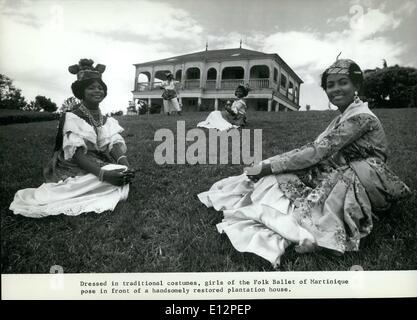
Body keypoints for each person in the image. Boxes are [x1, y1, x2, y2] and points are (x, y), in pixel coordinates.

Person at [198, 59, 411, 267]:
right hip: (341, 167)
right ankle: (288, 215)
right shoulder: (343, 117)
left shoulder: (360, 117)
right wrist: (273, 163)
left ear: (356, 85)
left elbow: (319, 150)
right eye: (330, 85)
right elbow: (315, 148)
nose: (336, 89)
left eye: (343, 82)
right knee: (280, 177)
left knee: (297, 184)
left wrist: (270, 165)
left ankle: (318, 236)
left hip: (364, 176)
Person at [9, 59, 135, 218]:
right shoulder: (73, 117)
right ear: (82, 92)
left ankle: (108, 181)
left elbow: (113, 144)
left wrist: (126, 165)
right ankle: (87, 185)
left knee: (121, 171)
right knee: (112, 177)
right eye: (91, 88)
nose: (97, 91)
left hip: (95, 160)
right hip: (72, 165)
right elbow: (75, 154)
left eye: (100, 88)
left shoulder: (105, 119)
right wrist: (103, 175)